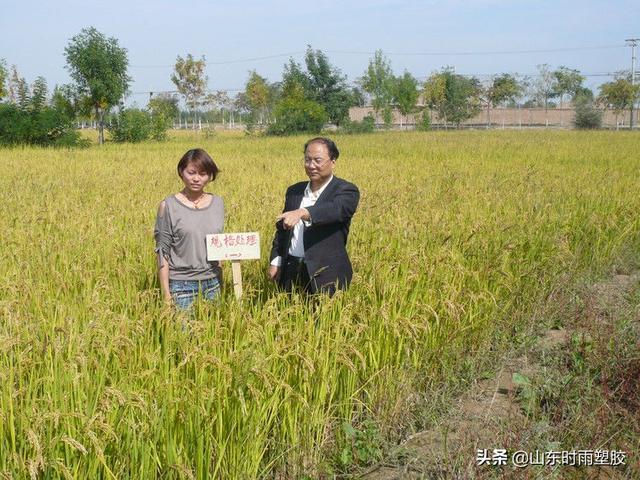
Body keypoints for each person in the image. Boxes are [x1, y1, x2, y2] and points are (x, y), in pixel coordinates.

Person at [268, 137, 360, 296]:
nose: (311, 166)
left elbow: (335, 209)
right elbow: (282, 231)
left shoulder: (346, 190)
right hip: (290, 269)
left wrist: (303, 212)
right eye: (307, 160)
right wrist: (276, 261)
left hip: (326, 274)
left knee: (323, 319)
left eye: (317, 160)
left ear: (333, 161)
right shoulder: (294, 191)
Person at [154, 148, 224, 309]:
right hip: (182, 286)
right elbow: (162, 252)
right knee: (184, 334)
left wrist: (221, 280)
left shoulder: (218, 203)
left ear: (209, 176)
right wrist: (166, 294)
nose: (196, 179)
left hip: (213, 283)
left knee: (213, 332)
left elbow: (218, 244)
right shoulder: (168, 206)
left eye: (203, 173)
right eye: (191, 173)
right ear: (181, 172)